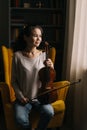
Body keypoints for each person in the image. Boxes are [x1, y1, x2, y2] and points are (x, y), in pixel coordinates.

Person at [11, 25, 54, 130]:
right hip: (24, 99)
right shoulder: (17, 56)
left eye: (40, 36)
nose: (39, 39)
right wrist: (20, 96)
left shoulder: (44, 55)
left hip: (41, 97)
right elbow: (13, 80)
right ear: (25, 37)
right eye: (35, 35)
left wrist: (51, 66)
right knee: (20, 119)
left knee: (49, 112)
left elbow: (49, 77)